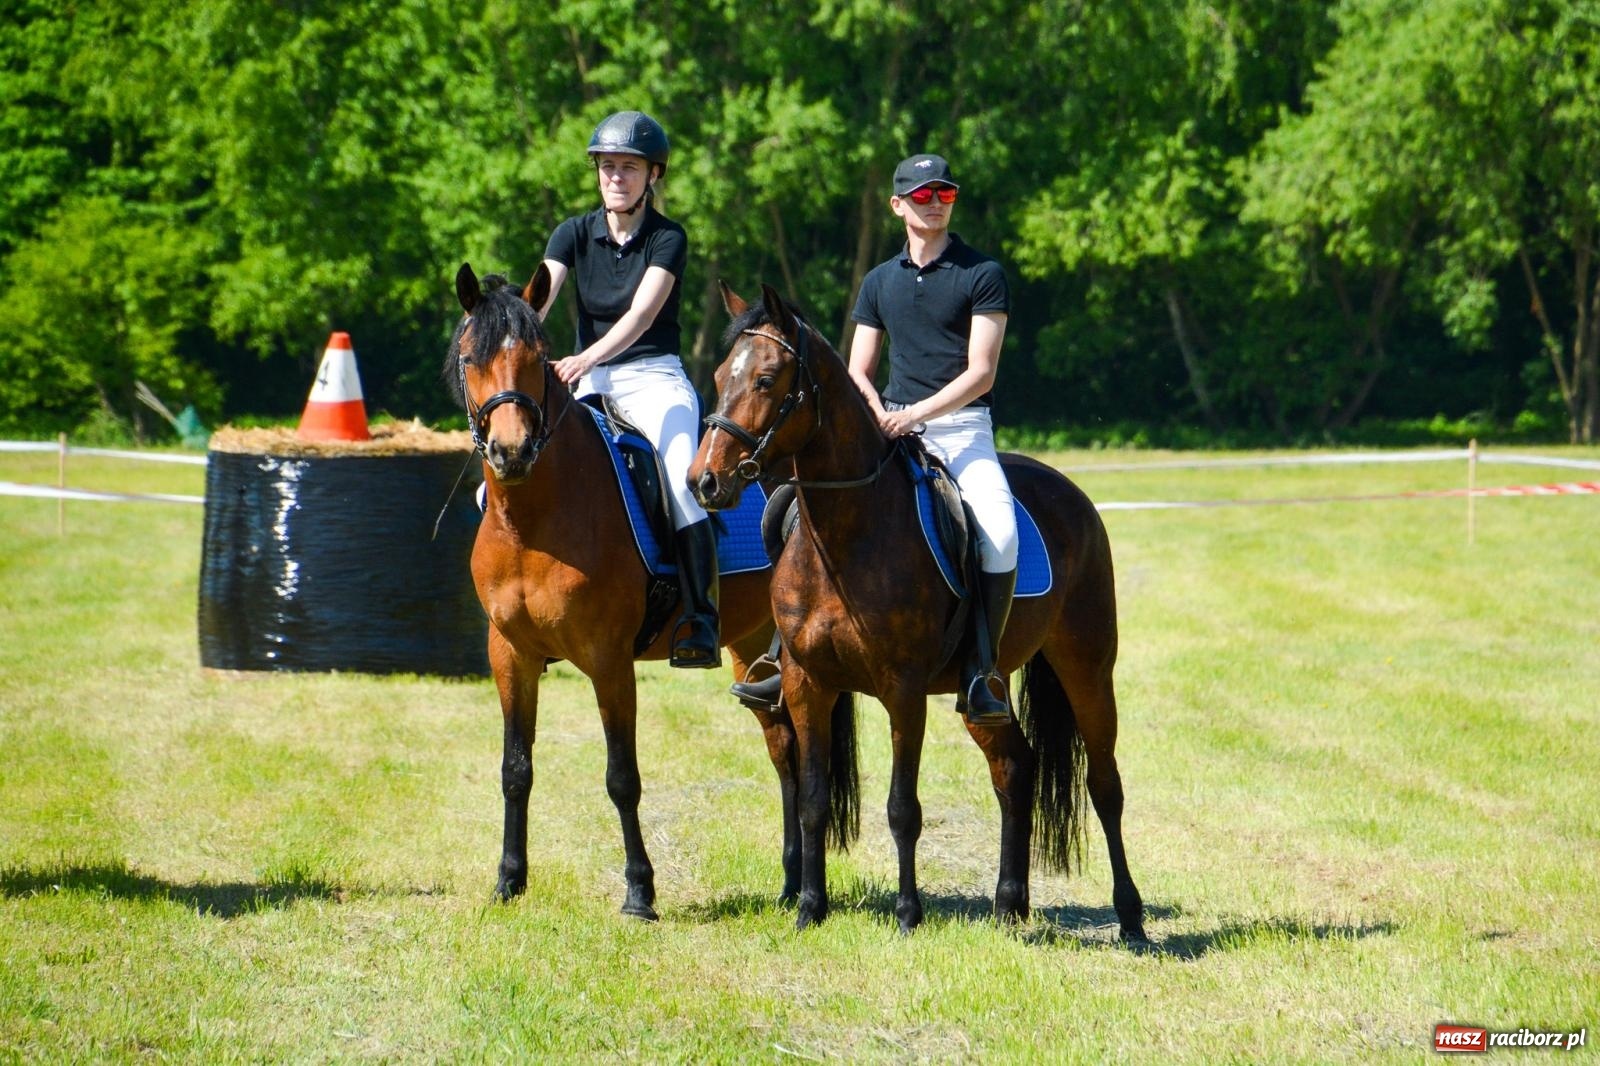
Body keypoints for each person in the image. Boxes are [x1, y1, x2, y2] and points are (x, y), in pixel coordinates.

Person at [731, 153, 1016, 722]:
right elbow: (857, 369)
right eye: (923, 195)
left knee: (1000, 535)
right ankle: (782, 651)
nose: (934, 203)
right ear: (897, 205)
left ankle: (981, 669)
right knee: (787, 514)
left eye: (944, 193)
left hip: (960, 429)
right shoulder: (879, 281)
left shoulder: (982, 274)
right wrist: (880, 414)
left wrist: (914, 415)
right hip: (887, 425)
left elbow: (981, 372)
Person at [535, 110, 719, 669]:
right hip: (586, 380)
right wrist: (512, 330)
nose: (616, 176)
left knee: (682, 481)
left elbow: (641, 316)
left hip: (653, 377)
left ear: (653, 175)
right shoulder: (571, 233)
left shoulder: (668, 238)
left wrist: (585, 358)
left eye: (629, 168)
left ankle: (700, 617)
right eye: (608, 166)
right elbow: (538, 298)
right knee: (520, 466)